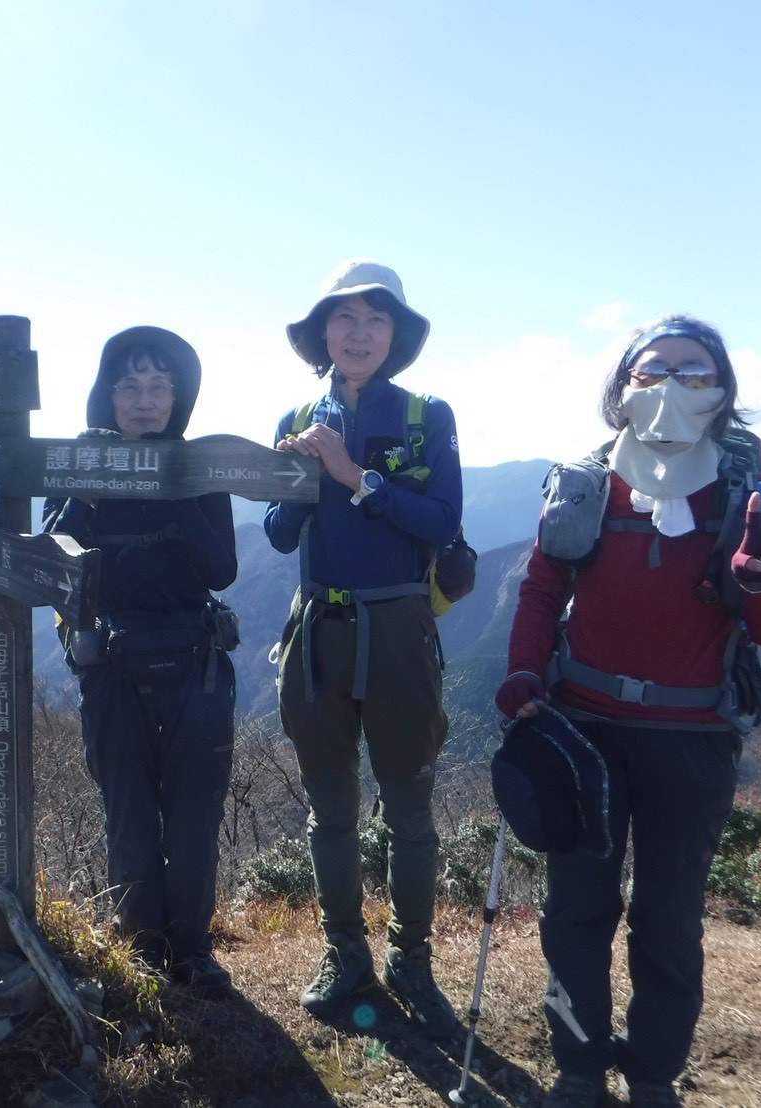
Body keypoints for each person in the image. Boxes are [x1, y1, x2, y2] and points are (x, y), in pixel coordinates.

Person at [494, 315, 761, 1108]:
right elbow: (541, 588)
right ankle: (576, 1065)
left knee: (667, 920)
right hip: (583, 731)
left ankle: (654, 1074)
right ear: (620, 389)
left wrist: (759, 577)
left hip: (691, 736)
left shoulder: (748, 500)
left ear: (723, 393)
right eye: (650, 371)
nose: (669, 387)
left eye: (693, 374)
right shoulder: (586, 483)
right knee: (577, 909)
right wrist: (524, 674)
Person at [265, 259, 462, 1037]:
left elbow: (440, 520)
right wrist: (299, 473)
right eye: (342, 318)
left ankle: (411, 958)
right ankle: (344, 953)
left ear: (395, 335)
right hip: (318, 628)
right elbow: (281, 536)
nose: (356, 332)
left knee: (408, 803)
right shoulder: (294, 412)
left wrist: (352, 474)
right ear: (321, 333)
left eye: (374, 319)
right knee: (329, 807)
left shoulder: (425, 414)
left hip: (399, 629)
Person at [41, 326, 238, 995]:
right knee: (126, 809)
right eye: (130, 384)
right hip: (111, 666)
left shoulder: (202, 469)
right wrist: (84, 498)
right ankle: (144, 951)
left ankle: (192, 949)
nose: (145, 399)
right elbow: (43, 566)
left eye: (160, 385)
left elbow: (221, 569)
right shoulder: (76, 464)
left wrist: (176, 483)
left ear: (178, 397)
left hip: (194, 661)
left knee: (192, 812)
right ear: (107, 393)